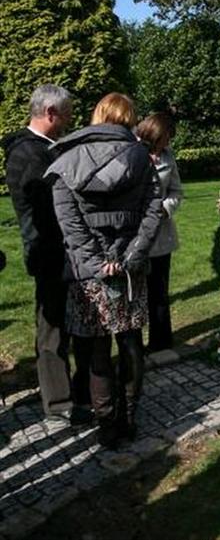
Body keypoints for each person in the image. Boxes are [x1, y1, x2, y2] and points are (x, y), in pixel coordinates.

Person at [45, 93, 163, 448]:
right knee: (130, 343)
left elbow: (69, 221)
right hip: (128, 269)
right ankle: (127, 418)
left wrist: (97, 262)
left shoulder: (68, 158)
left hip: (87, 272)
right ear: (129, 118)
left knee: (96, 350)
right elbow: (152, 212)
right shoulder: (143, 157)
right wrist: (128, 257)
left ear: (97, 115)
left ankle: (107, 425)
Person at [1, 84, 90, 424]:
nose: (69, 121)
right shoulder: (30, 153)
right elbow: (46, 209)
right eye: (66, 115)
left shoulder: (43, 149)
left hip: (59, 251)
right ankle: (59, 403)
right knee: (53, 330)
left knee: (66, 326)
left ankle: (69, 392)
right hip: (50, 252)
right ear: (51, 113)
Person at [137, 113, 183, 352]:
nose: (169, 142)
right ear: (155, 133)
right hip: (136, 236)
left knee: (159, 293)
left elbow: (176, 191)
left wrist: (165, 209)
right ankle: (132, 348)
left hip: (161, 236)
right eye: (166, 136)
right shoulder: (133, 152)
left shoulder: (168, 156)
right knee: (135, 294)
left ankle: (161, 343)